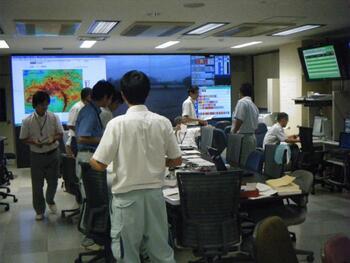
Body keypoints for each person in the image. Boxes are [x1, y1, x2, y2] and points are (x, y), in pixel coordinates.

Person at [90, 70, 181, 263]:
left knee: (127, 254)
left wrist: (91, 160)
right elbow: (176, 160)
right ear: (147, 94)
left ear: (122, 94)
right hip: (156, 197)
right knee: (161, 252)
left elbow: (99, 164)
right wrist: (157, 161)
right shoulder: (163, 122)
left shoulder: (116, 124)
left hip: (126, 199)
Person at [75, 80, 114, 250]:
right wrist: (105, 140)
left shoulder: (92, 110)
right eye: (110, 98)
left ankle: (94, 235)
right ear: (105, 97)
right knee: (93, 200)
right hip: (87, 158)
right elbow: (82, 137)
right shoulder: (90, 113)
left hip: (90, 157)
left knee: (93, 199)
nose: (110, 102)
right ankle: (90, 238)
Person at [19, 91, 64, 221]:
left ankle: (50, 200)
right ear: (35, 105)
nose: (45, 107)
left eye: (46, 104)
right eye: (42, 105)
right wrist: (34, 142)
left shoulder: (54, 117)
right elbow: (23, 139)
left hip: (53, 154)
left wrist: (52, 139)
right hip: (36, 155)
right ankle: (39, 210)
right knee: (37, 185)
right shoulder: (27, 121)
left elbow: (60, 134)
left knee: (53, 181)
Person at [231, 83, 259, 166]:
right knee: (249, 163)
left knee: (242, 163)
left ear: (241, 92)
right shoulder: (253, 105)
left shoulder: (242, 103)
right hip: (252, 137)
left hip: (243, 137)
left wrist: (234, 133)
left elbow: (239, 120)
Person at [66, 87, 92, 156]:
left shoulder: (88, 106)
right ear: (88, 96)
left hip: (85, 139)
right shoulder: (77, 107)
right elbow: (70, 124)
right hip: (76, 139)